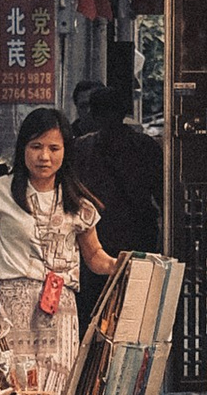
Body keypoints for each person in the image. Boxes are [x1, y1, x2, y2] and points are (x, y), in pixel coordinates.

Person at [0, 104, 117, 392]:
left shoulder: (77, 202)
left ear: (66, 152)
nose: (44, 156)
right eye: (36, 146)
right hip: (9, 303)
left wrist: (118, 265)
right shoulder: (1, 191)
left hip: (60, 307)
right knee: (10, 386)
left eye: (54, 148)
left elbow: (94, 256)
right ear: (23, 149)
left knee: (56, 388)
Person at [68, 81, 164, 260]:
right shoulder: (146, 146)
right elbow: (162, 195)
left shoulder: (81, 148)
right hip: (136, 234)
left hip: (98, 235)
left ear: (93, 114)